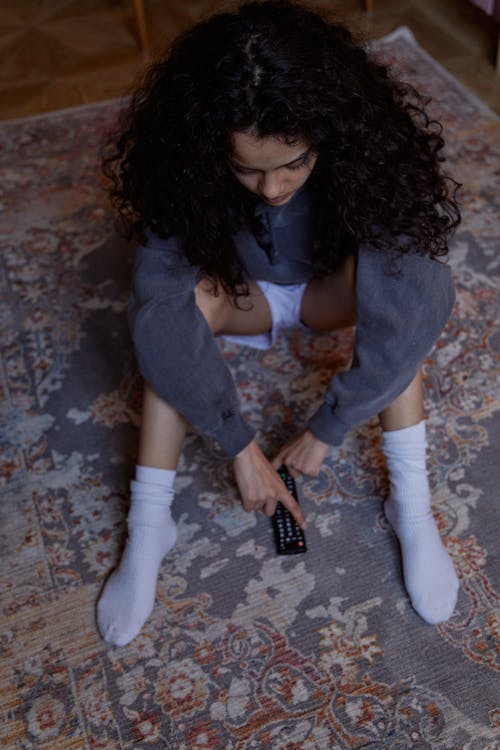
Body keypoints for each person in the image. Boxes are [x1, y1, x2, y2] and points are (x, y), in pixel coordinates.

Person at [97, 0, 461, 647]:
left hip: (327, 292)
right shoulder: (182, 168)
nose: (271, 189)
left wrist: (328, 429)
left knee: (398, 316)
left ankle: (410, 505)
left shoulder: (370, 155)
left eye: (293, 163)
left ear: (325, 132)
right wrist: (239, 446)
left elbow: (412, 312)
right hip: (242, 294)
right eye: (248, 169)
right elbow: (159, 310)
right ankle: (151, 525)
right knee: (167, 329)